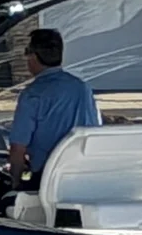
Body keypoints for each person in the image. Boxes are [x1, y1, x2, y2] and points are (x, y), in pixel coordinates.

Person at [5, 27, 99, 181]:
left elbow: (18, 148)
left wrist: (14, 182)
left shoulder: (32, 95)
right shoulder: (83, 88)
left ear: (33, 57)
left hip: (47, 177)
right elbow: (94, 130)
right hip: (83, 173)